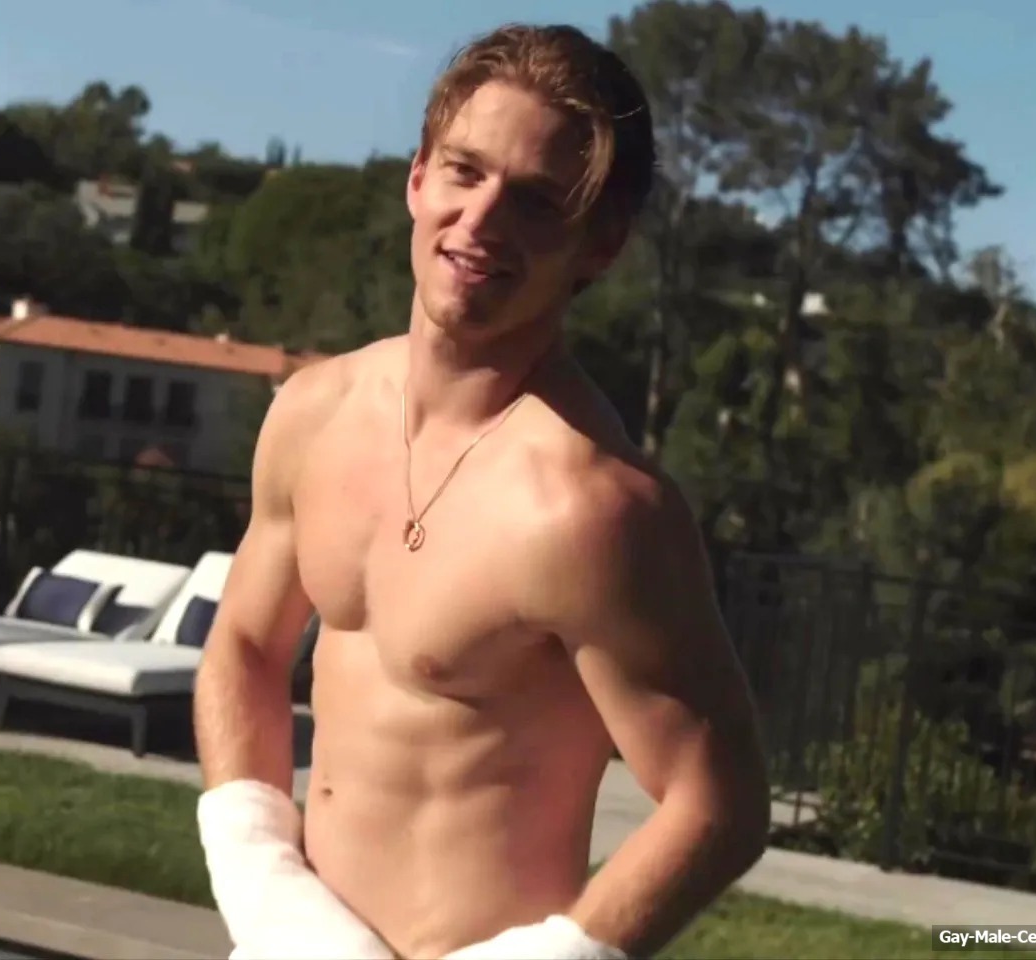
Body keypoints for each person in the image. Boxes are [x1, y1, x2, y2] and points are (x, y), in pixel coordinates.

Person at [192, 21, 770, 960]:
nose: (483, 219)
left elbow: (721, 801)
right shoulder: (313, 413)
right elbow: (246, 648)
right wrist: (265, 891)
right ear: (418, 178)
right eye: (465, 171)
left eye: (537, 201)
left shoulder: (592, 508)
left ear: (600, 245)